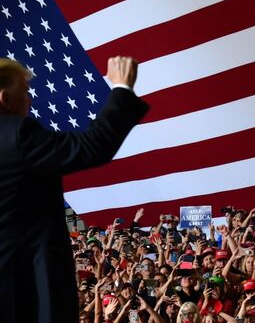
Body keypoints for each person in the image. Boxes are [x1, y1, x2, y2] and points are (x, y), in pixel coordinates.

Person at [0, 56, 149, 323]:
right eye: (25, 92)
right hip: (29, 293)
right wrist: (122, 88)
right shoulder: (16, 134)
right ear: (4, 99)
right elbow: (93, 146)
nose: (30, 101)